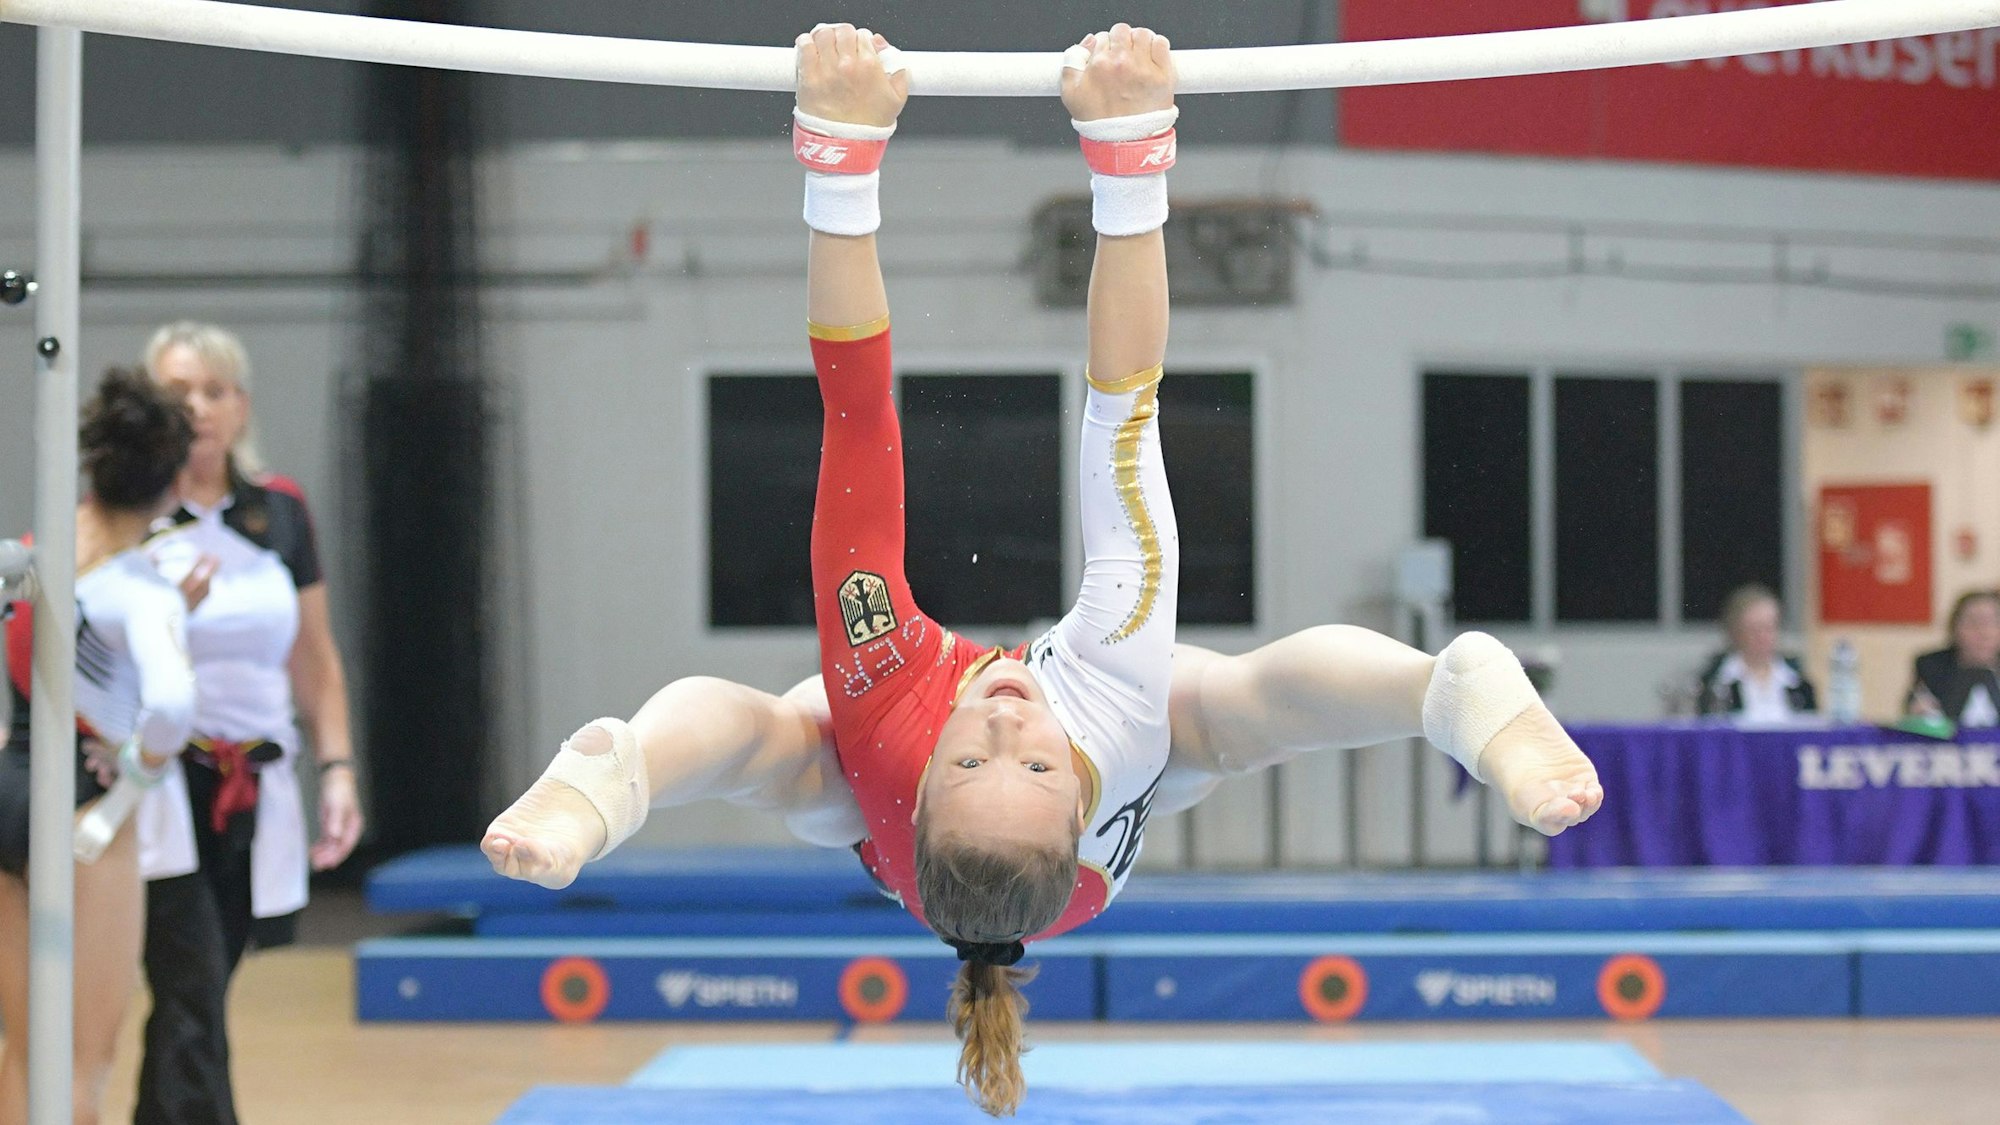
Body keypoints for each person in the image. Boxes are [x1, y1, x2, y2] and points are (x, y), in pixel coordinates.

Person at [484, 23, 1601, 1118]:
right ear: (1081, 802)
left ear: (923, 780)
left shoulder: (888, 740)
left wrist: (840, 156)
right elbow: (1125, 404)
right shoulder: (1108, 732)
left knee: (772, 745)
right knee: (1226, 712)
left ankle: (613, 774)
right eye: (1034, 765)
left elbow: (855, 417)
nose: (1011, 719)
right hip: (1113, 753)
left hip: (881, 793)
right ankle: (1442, 692)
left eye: (975, 754)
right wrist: (1128, 159)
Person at [135, 322, 364, 1125]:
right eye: (177, 392)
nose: (196, 409)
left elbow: (315, 656)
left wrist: (337, 769)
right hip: (159, 783)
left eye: (213, 390)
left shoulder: (282, 511)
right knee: (189, 984)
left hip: (256, 781)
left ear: (241, 406)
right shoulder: (127, 514)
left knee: (203, 987)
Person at [0, 368, 196, 1125]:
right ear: (174, 481)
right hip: (81, 801)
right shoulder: (139, 586)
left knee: (25, 1050)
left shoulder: (32, 550)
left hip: (11, 783)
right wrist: (128, 795)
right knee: (84, 1063)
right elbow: (174, 703)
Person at [1695, 584, 1817, 721]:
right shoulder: (1718, 680)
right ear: (1736, 632)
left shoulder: (1797, 681)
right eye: (1755, 630)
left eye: (1769, 628)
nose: (1763, 637)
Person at [1906, 589, 2000, 728]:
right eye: (1974, 623)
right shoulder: (1931, 665)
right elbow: (1915, 713)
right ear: (1954, 628)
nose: (1984, 632)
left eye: (1993, 623)